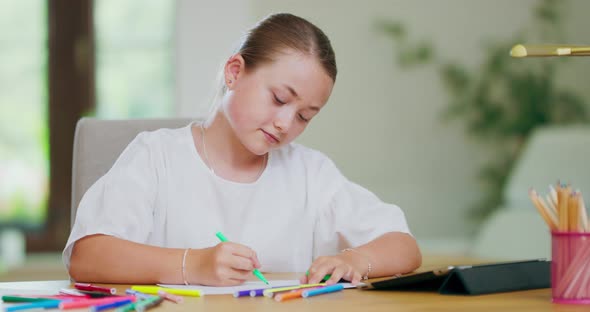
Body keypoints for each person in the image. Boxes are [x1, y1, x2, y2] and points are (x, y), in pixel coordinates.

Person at [64, 13, 421, 287]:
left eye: (304, 116)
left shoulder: (312, 174)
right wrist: (193, 265)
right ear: (234, 72)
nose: (285, 123)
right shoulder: (157, 156)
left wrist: (358, 260)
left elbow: (404, 246)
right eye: (280, 98)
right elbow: (87, 255)